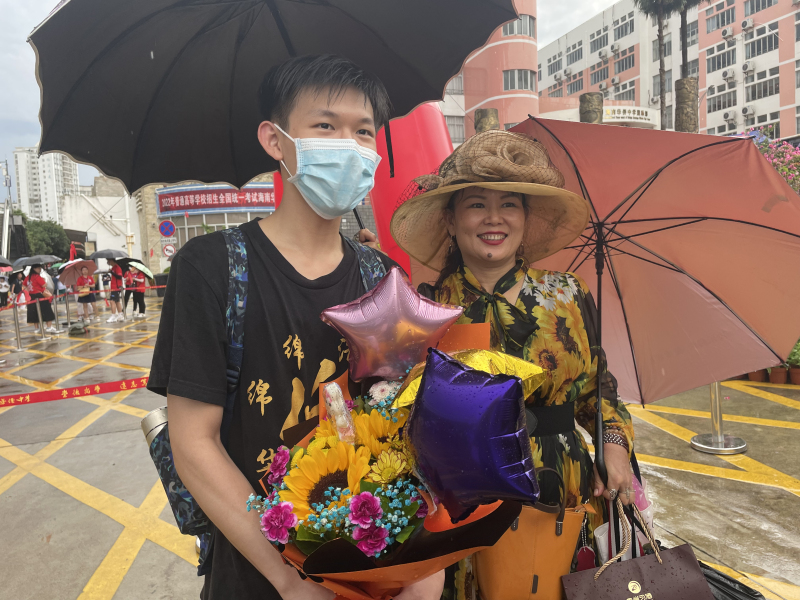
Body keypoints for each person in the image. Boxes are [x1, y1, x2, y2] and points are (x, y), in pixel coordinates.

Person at [147, 55, 444, 600]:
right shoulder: (211, 268)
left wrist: (425, 566)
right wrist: (290, 581)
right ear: (275, 140)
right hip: (255, 577)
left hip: (375, 568)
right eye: (325, 125)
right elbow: (193, 442)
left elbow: (405, 427)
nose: (349, 146)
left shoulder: (384, 278)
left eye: (363, 132)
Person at [389, 130, 636, 599]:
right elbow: (404, 413)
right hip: (463, 498)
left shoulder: (569, 294)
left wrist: (615, 445)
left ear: (525, 218)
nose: (494, 218)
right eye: (476, 204)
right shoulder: (426, 308)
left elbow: (598, 392)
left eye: (509, 204)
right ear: (451, 219)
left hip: (562, 490)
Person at [24, 265, 57, 333]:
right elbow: (44, 285)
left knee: (34, 312)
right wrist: (43, 280)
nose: (40, 270)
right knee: (47, 311)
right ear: (34, 269)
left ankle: (36, 328)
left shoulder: (28, 277)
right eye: (38, 268)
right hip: (40, 296)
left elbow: (24, 285)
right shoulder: (37, 277)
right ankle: (49, 327)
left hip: (31, 296)